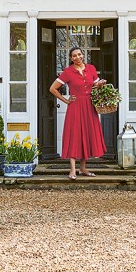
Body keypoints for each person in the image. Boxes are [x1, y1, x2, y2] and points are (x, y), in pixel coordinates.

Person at [49, 47, 107, 180]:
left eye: (79, 54)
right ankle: (72, 169)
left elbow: (95, 84)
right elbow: (52, 88)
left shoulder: (91, 68)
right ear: (71, 58)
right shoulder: (68, 72)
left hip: (89, 105)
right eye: (74, 56)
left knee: (86, 134)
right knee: (74, 135)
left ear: (83, 55)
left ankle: (83, 168)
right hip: (75, 106)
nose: (77, 57)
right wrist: (66, 100)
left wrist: (101, 83)